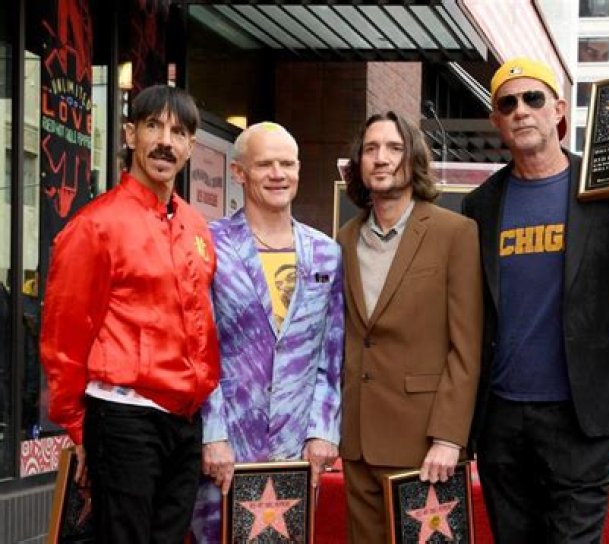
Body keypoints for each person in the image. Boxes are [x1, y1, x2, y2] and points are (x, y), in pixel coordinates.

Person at [461, 57, 609, 542]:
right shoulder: (480, 205)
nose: (521, 110)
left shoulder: (608, 191)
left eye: (533, 98)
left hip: (582, 418)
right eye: (508, 103)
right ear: (496, 120)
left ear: (559, 110)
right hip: (501, 421)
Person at [40, 85, 220, 543]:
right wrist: (78, 427)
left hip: (185, 420)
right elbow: (63, 335)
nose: (165, 142)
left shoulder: (196, 226)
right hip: (123, 417)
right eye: (153, 126)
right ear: (130, 134)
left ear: (190, 146)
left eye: (178, 133)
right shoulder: (95, 225)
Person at [191, 122, 344, 543]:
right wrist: (213, 434)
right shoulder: (209, 245)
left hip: (297, 450)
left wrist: (323, 430)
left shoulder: (326, 252)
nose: (278, 174)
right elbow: (200, 348)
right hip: (227, 446)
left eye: (287, 164)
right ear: (239, 173)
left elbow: (331, 356)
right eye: (265, 165)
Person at [337, 111, 482, 543]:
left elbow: (467, 346)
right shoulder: (344, 238)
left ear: (413, 158)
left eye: (394, 148)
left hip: (424, 442)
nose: (381, 158)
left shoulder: (455, 233)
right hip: (357, 441)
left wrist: (449, 437)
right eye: (371, 148)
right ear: (359, 163)